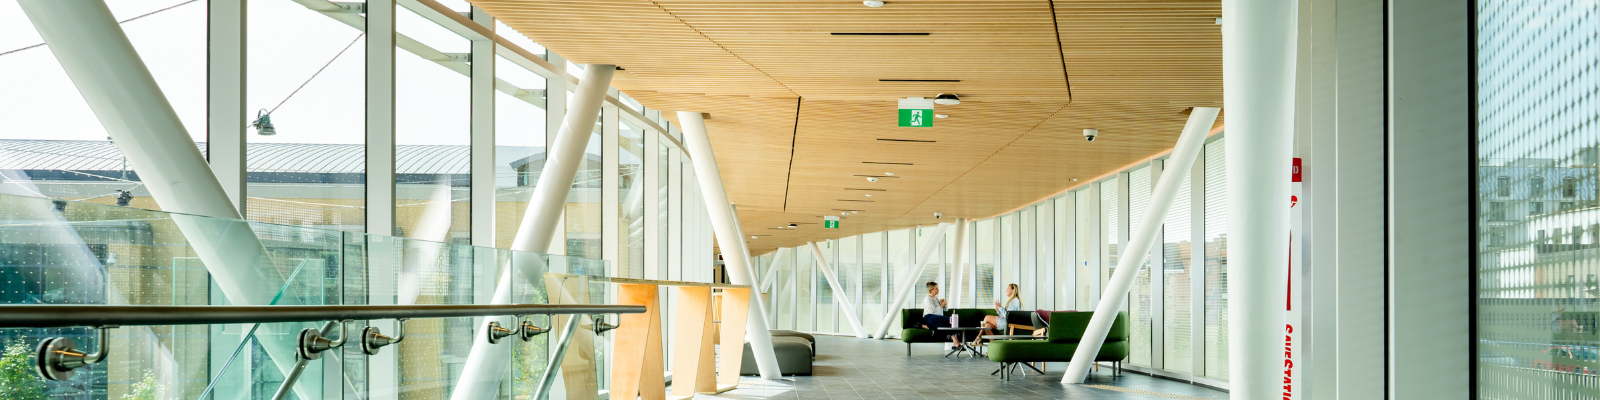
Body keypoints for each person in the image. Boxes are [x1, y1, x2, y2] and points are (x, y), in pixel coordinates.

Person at [920, 282, 962, 350]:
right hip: (930, 317)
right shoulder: (928, 299)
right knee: (951, 320)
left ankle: (955, 343)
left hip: (938, 318)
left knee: (951, 322)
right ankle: (927, 326)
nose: (938, 290)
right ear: (931, 290)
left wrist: (944, 304)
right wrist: (942, 305)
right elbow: (932, 311)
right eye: (936, 289)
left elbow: (945, 310)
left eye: (938, 288)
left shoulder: (936, 299)